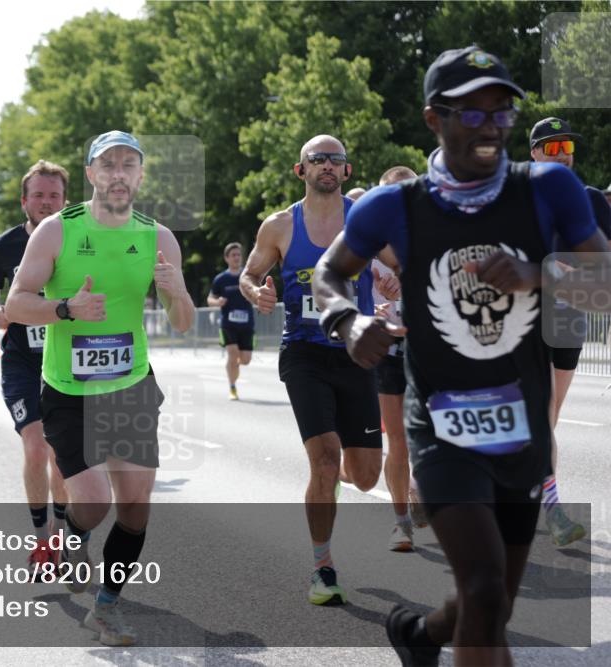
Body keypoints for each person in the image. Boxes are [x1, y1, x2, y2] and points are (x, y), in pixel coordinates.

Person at [311, 46, 608, 665]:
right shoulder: (395, 205)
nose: (490, 126)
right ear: (434, 119)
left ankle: (420, 636)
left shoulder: (548, 188)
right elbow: (329, 273)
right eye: (471, 113)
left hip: (522, 426)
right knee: (483, 589)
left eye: (500, 112)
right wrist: (346, 319)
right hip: (442, 424)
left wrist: (539, 275)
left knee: (492, 603)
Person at [6, 131, 195, 646]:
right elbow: (16, 303)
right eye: (107, 164)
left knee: (135, 505)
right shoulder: (56, 231)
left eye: (128, 164)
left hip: (131, 385)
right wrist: (65, 308)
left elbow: (182, 322)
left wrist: (178, 292)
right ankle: (74, 533)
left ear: (140, 175)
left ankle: (106, 608)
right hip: (69, 389)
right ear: (90, 174)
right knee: (92, 503)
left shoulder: (158, 237)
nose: (118, 173)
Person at [240, 134, 383, 606]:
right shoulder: (280, 226)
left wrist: (396, 279)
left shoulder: (365, 220)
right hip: (303, 353)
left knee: (365, 476)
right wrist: (256, 292)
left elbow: (402, 261)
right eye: (317, 159)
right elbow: (250, 274)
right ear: (300, 170)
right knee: (323, 460)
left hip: (356, 353)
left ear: (346, 171)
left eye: (335, 160)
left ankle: (334, 479)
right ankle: (323, 567)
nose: (327, 165)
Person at [0, 159, 72, 577]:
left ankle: (61, 535)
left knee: (61, 454)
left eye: (54, 195)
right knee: (36, 447)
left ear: (65, 200)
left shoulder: (79, 239)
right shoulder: (7, 244)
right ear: (24, 200)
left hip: (66, 357)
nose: (46, 202)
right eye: (38, 195)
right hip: (22, 360)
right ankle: (42, 542)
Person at [528, 116, 611, 547]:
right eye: (554, 148)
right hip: (524, 319)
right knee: (542, 416)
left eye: (568, 148)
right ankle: (553, 512)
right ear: (534, 153)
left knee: (550, 419)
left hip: (569, 319)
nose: (564, 155)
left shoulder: (591, 199)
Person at [370, 166, 428, 552]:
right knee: (398, 442)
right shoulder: (365, 245)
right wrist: (370, 313)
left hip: (428, 352)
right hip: (387, 352)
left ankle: (419, 486)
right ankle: (401, 523)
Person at [207, 242, 254, 400]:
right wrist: (217, 302)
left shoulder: (248, 277)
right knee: (232, 355)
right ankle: (232, 388)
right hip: (228, 324)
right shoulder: (221, 279)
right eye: (233, 255)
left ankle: (234, 366)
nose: (236, 257)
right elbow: (210, 299)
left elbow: (257, 292)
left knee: (245, 360)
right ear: (226, 258)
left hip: (247, 324)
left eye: (238, 255)